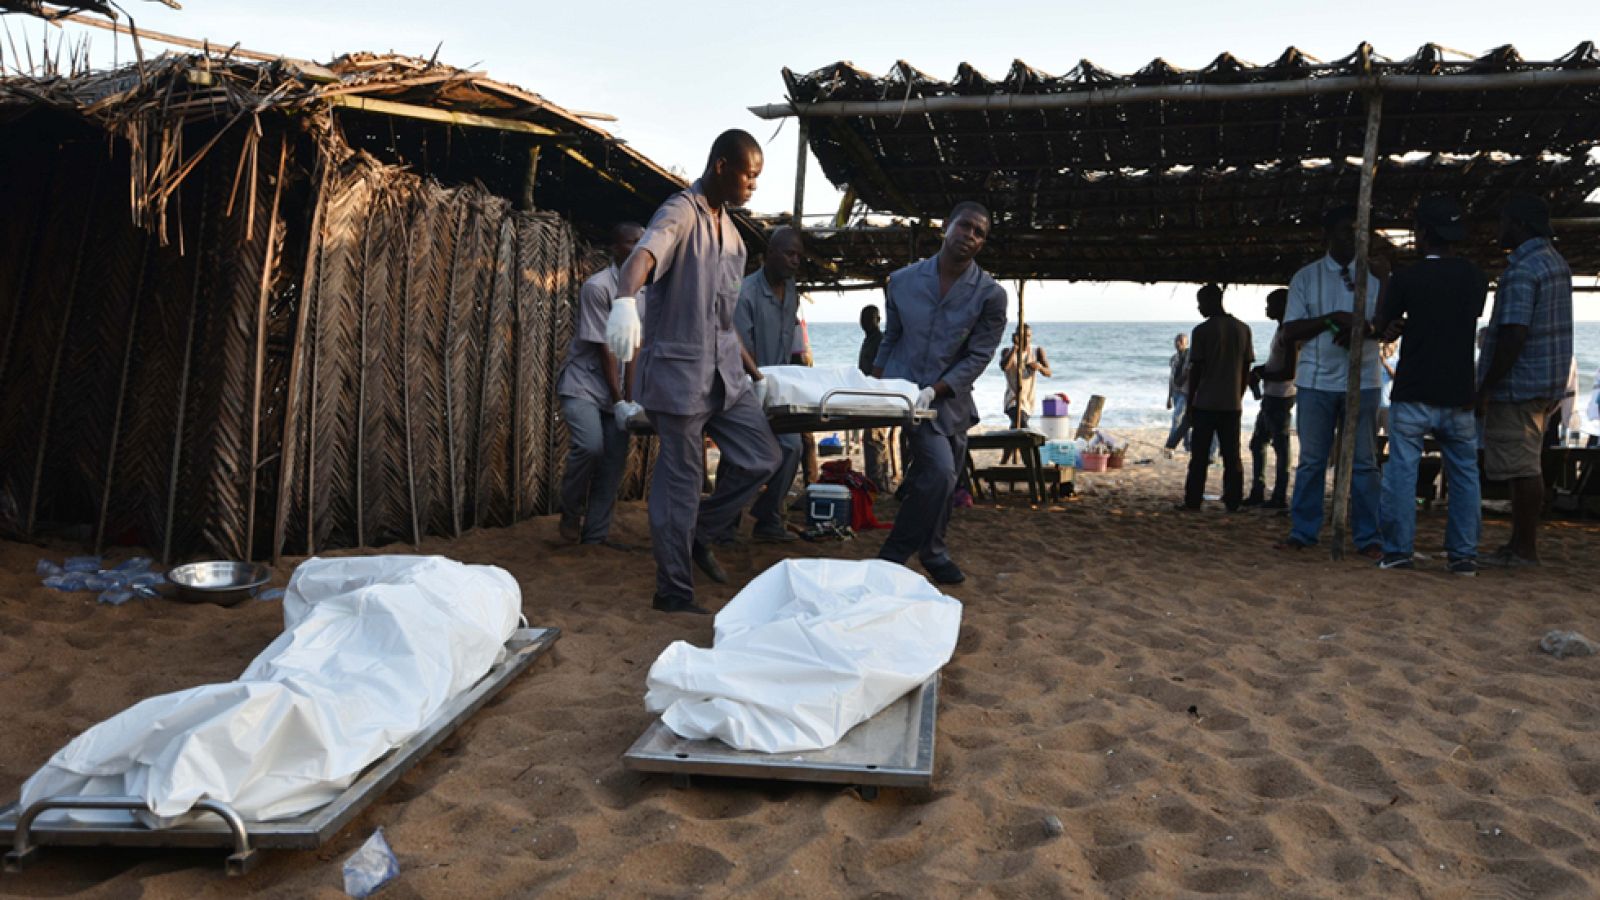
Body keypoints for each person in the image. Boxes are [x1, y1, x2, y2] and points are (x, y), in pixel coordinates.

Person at [604, 129, 782, 615]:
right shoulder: (680, 212)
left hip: (725, 376)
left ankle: (700, 532)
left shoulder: (733, 235)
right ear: (722, 166)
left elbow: (724, 321)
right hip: (680, 377)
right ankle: (673, 592)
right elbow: (643, 255)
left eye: (757, 178)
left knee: (763, 457)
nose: (753, 185)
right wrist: (624, 301)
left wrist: (756, 375)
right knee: (680, 483)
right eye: (749, 175)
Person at [872, 201, 1007, 584]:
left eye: (979, 233)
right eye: (965, 226)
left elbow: (980, 355)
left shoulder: (990, 295)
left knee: (945, 482)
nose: (970, 236)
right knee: (941, 473)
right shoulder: (902, 281)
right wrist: (873, 386)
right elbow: (891, 338)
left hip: (952, 400)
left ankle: (933, 551)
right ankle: (893, 554)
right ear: (946, 225)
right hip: (907, 395)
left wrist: (937, 389)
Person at [1373, 195, 1487, 575]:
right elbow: (1463, 316)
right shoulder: (1475, 276)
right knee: (1464, 475)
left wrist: (1387, 283)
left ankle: (1398, 550)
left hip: (1414, 387)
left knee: (1401, 472)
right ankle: (1463, 555)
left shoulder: (1408, 277)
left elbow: (1381, 324)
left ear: (1422, 233)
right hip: (1458, 389)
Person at [1277, 206, 1384, 555]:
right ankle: (1304, 531)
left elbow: (1390, 325)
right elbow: (1290, 331)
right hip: (1315, 382)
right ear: (1327, 235)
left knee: (1365, 464)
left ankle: (1368, 536)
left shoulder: (1375, 278)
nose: (1352, 238)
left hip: (1364, 380)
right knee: (1312, 461)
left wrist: (1363, 327)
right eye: (1344, 231)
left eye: (1358, 232)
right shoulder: (1306, 278)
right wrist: (1331, 319)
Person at [1476, 193, 1573, 568]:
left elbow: (1514, 333)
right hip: (1544, 381)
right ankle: (1519, 544)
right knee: (1525, 465)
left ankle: (1523, 549)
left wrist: (1487, 386)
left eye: (1503, 222)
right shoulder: (1554, 262)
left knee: (1522, 468)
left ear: (1518, 224)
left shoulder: (1522, 270)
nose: (1499, 229)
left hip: (1520, 383)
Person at [555, 222, 645, 547]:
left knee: (613, 462)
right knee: (590, 445)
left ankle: (595, 536)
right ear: (615, 248)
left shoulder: (644, 291)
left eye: (642, 241)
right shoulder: (598, 287)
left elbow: (634, 347)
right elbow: (605, 348)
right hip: (585, 384)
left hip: (617, 388)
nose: (638, 247)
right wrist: (619, 400)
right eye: (631, 241)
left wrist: (629, 402)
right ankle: (570, 511)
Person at [724, 225, 804, 543]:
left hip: (780, 388)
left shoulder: (792, 290)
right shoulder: (745, 293)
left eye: (799, 255)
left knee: (792, 447)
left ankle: (768, 518)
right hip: (745, 386)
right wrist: (758, 383)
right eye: (789, 253)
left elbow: (791, 344)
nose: (795, 260)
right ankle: (725, 523)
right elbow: (742, 350)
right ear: (770, 254)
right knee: (739, 456)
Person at [1179, 284, 1253, 511]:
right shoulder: (1243, 329)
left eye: (1200, 302)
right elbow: (1246, 369)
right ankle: (1233, 500)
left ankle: (1193, 501)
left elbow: (1196, 371)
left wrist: (1190, 403)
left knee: (1199, 456)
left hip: (1205, 403)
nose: (1199, 307)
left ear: (1210, 301)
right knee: (1232, 455)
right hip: (1231, 403)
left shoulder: (1202, 331)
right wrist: (1239, 395)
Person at [1244, 288, 1296, 509]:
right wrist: (1261, 370)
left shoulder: (1290, 333)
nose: (1267, 308)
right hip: (1272, 395)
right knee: (1258, 444)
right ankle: (1259, 490)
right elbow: (1278, 364)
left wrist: (1263, 374)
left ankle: (1278, 495)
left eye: (1270, 304)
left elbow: (1290, 372)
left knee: (1280, 447)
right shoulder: (1282, 330)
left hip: (1281, 396)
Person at [999, 325, 1051, 462]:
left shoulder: (1037, 351)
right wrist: (1015, 348)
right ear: (1016, 337)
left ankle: (1004, 461)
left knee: (1014, 430)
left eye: (1028, 336)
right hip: (1012, 399)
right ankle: (1030, 462)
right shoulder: (1007, 351)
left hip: (1028, 400)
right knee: (1023, 428)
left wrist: (1039, 367)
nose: (1026, 339)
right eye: (1023, 336)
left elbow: (1049, 372)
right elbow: (1004, 366)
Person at [857, 304, 892, 490]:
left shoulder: (880, 340)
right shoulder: (869, 340)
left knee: (874, 438)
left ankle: (878, 483)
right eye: (863, 319)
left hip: (878, 396)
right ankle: (878, 481)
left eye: (869, 318)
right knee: (874, 439)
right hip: (868, 395)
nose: (865, 322)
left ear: (878, 320)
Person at [1164, 333, 1191, 452]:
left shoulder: (1190, 356)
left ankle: (1170, 445)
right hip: (1175, 392)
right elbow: (1171, 378)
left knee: (1177, 418)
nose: (1178, 343)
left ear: (1186, 343)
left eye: (1181, 341)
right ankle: (1188, 445)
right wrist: (1169, 397)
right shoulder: (1174, 358)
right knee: (1184, 421)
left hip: (1186, 392)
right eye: (1176, 340)